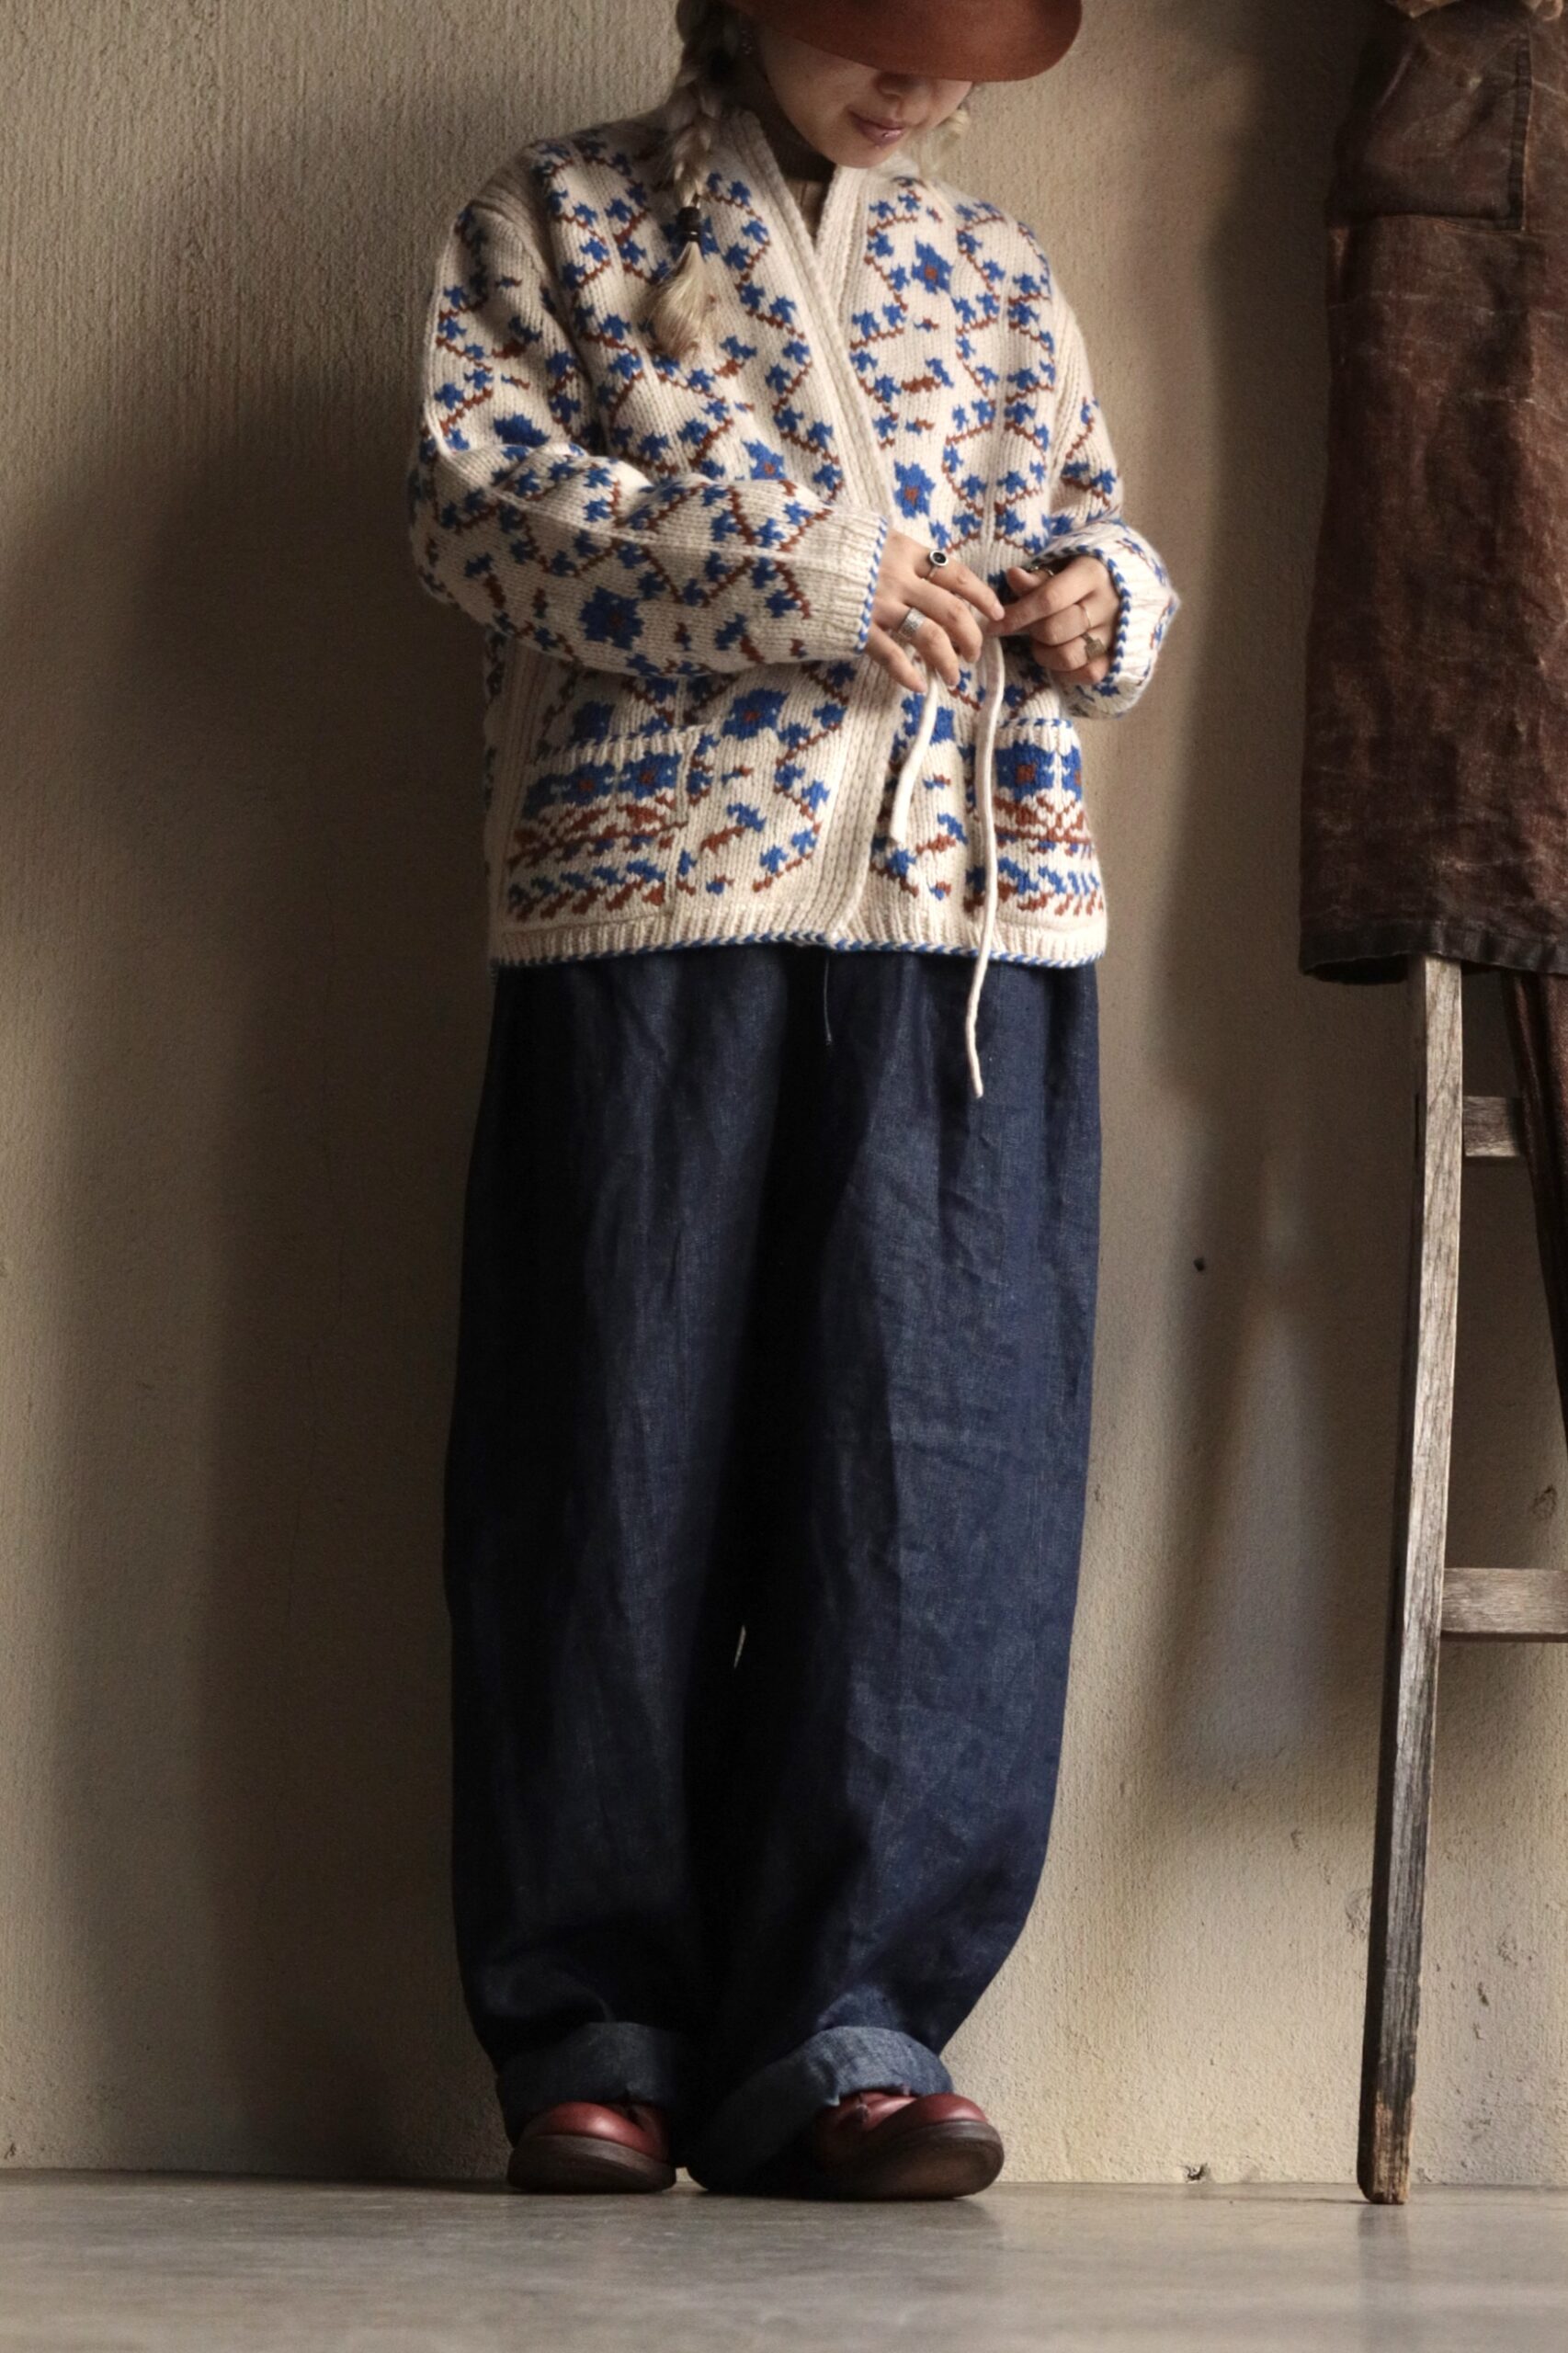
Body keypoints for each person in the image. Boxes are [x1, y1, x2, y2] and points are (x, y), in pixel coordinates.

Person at [404, 0, 1179, 2200]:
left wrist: (1096, 599)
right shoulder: (560, 221)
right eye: (878, 28)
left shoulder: (995, 272)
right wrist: (804, 590)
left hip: (968, 930)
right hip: (643, 908)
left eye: (962, 47)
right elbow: (475, 506)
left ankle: (854, 2023)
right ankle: (595, 2026)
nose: (923, 85)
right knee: (606, 1455)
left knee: (935, 1484)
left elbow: (1101, 530)